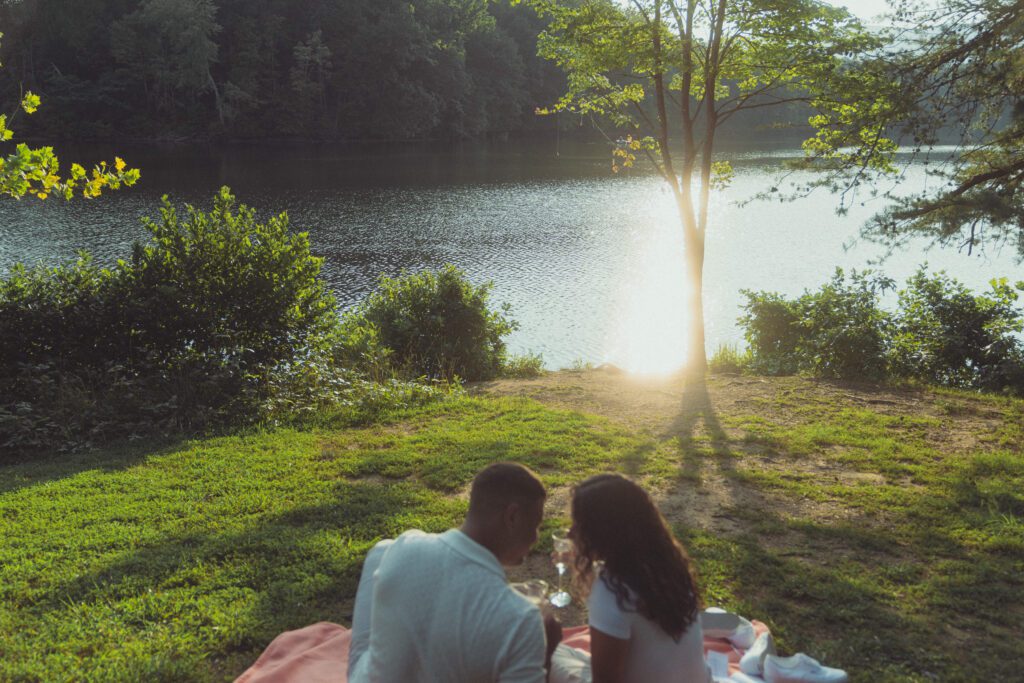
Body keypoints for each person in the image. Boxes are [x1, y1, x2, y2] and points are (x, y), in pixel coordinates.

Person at [347, 462, 560, 683]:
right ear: (512, 517)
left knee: (382, 550)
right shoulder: (522, 619)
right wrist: (546, 652)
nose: (536, 538)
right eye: (536, 525)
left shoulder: (404, 546)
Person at [550, 474, 712, 683]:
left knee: (544, 648)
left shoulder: (611, 592)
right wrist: (583, 564)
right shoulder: (669, 566)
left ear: (605, 531)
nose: (571, 534)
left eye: (579, 524)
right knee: (568, 654)